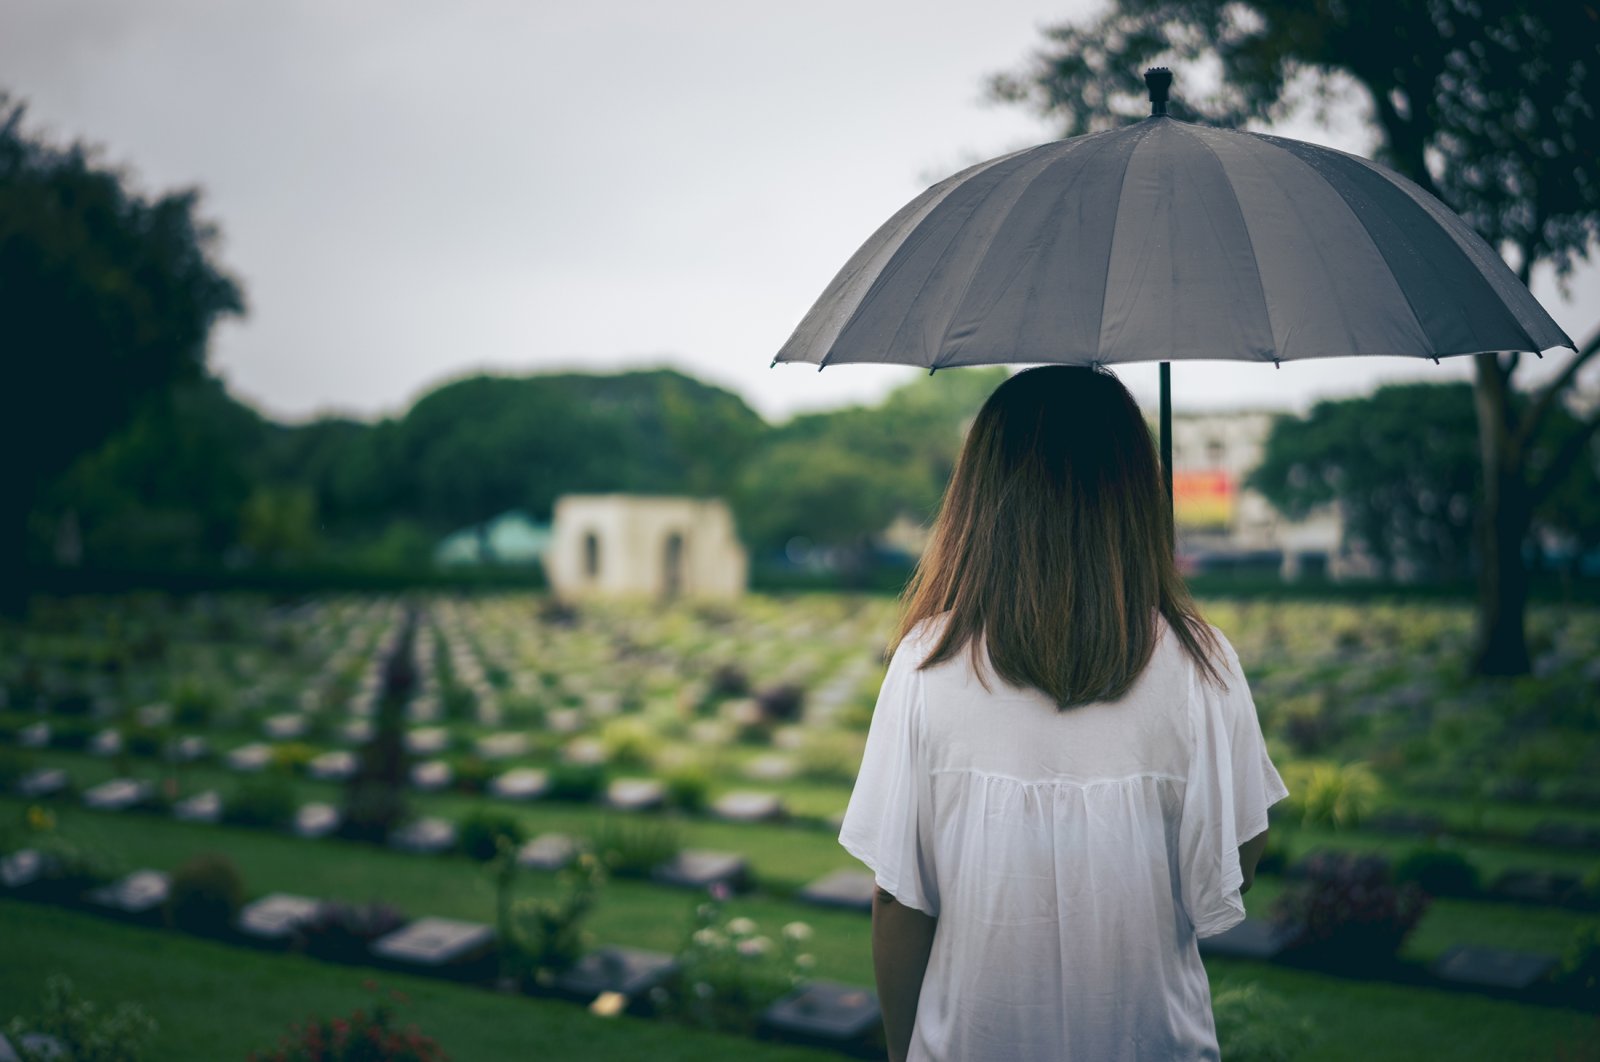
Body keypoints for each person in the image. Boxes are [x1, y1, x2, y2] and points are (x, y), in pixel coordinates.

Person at [838, 365, 1288, 1061]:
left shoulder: (926, 660)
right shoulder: (1203, 661)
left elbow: (899, 898)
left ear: (983, 495)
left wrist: (902, 1052)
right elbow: (1239, 859)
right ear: (1133, 491)